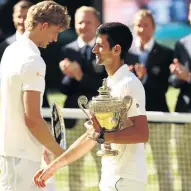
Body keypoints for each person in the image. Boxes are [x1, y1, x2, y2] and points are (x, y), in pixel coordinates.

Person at [34, 22, 149, 191]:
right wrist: (54, 167)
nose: (94, 49)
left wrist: (104, 136)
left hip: (125, 179)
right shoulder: (110, 83)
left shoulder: (129, 83)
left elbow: (141, 133)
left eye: (100, 45)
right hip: (112, 177)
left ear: (116, 50)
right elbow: (91, 137)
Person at [0, 1, 71, 191]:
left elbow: (6, 101)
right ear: (43, 25)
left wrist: (42, 145)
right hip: (23, 157)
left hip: (13, 152)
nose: (55, 39)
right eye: (55, 32)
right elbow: (32, 118)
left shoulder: (10, 50)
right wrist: (60, 153)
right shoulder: (33, 60)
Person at [125, 9, 174, 191]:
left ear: (153, 28)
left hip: (158, 118)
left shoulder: (165, 53)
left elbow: (163, 88)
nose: (141, 29)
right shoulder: (126, 55)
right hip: (131, 120)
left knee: (163, 166)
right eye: (138, 25)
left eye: (146, 25)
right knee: (133, 166)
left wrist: (144, 79)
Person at [58, 6, 105, 190]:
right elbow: (61, 87)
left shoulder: (104, 49)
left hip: (99, 119)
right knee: (74, 168)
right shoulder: (66, 50)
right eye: (79, 22)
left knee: (104, 165)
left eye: (88, 22)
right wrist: (68, 76)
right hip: (73, 118)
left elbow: (104, 85)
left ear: (97, 24)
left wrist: (79, 76)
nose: (83, 26)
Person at [169, 1, 191, 190]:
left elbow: (190, 77)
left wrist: (189, 76)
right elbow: (174, 82)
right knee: (186, 171)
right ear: (189, 16)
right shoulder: (181, 43)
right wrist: (177, 75)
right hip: (185, 116)